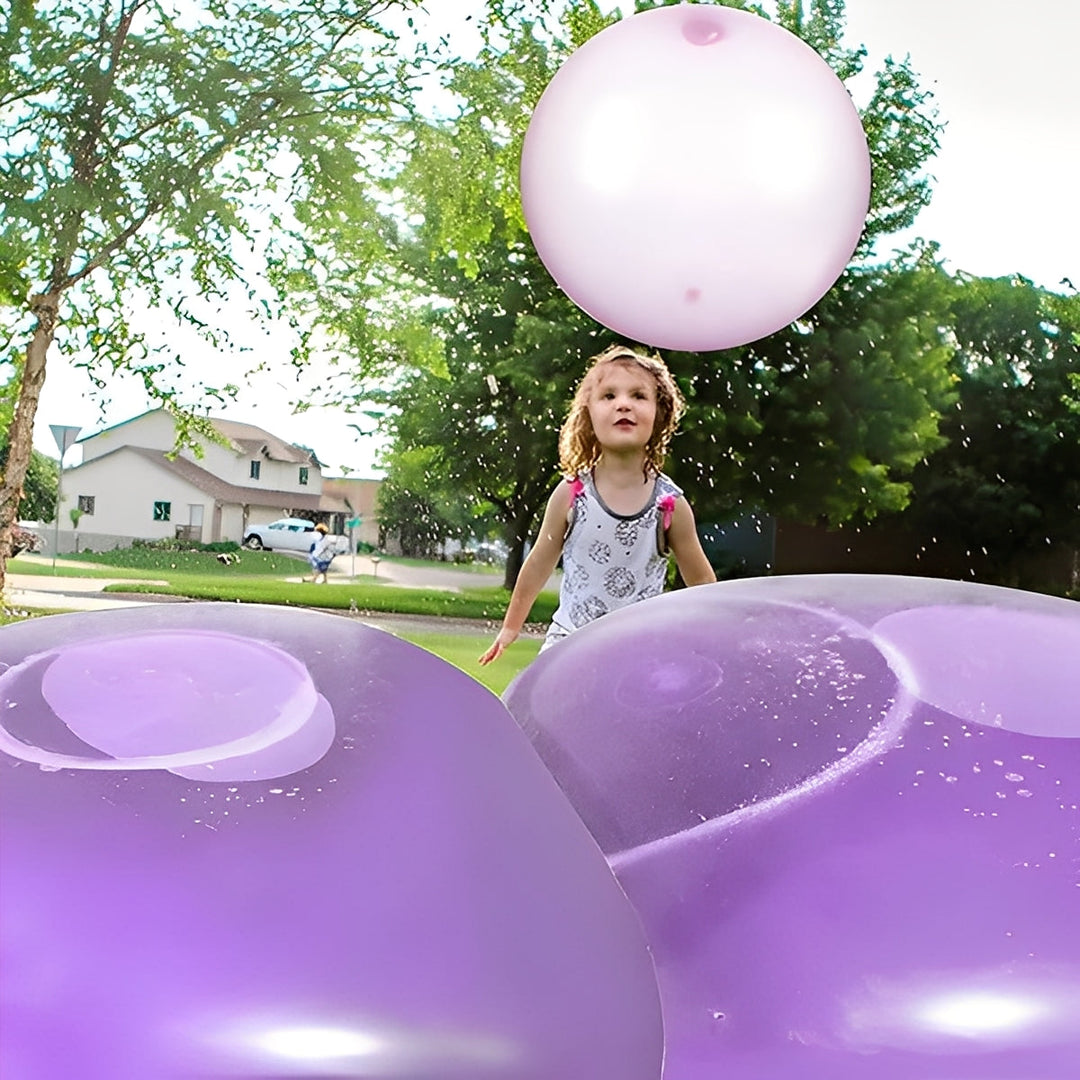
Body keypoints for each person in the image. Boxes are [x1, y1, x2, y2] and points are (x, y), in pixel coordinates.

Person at [479, 343, 715, 665]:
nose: (623, 405)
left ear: (659, 413)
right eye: (609, 396)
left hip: (637, 656)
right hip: (568, 647)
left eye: (638, 396)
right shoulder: (571, 494)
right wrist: (510, 627)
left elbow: (702, 585)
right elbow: (538, 564)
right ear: (588, 412)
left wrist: (711, 642)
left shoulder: (669, 506)